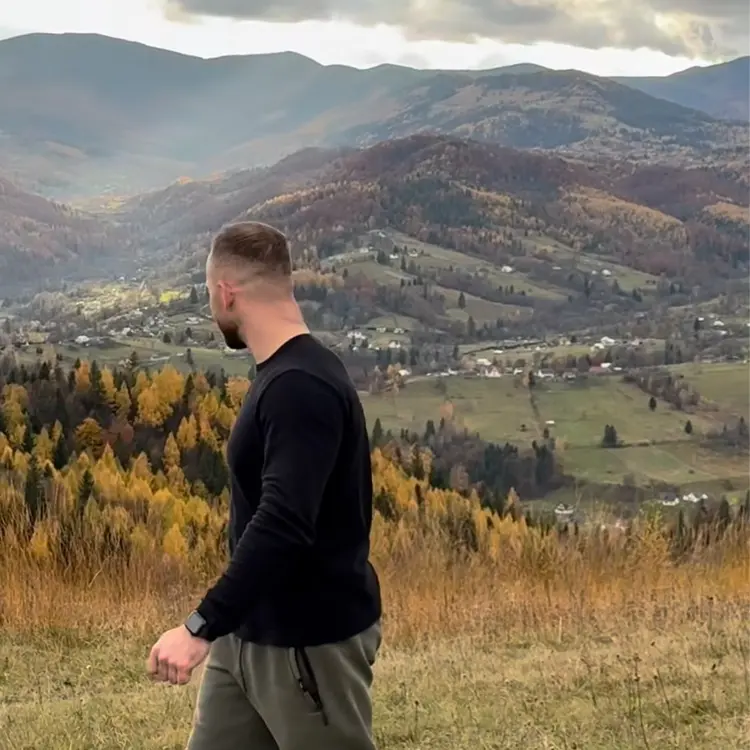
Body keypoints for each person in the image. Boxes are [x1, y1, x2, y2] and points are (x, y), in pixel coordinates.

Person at [147, 221, 383, 749]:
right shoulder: (285, 373)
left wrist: (199, 626)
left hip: (307, 643)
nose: (213, 307)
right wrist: (224, 624)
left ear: (226, 292)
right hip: (248, 631)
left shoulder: (299, 387)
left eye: (210, 295)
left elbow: (284, 522)